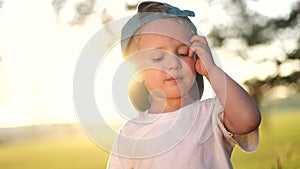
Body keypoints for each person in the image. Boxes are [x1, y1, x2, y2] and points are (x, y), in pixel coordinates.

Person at [107, 1, 261, 169]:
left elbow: (248, 119)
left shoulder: (211, 114)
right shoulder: (130, 133)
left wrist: (211, 69)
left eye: (182, 53)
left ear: (196, 58)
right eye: (158, 57)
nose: (174, 64)